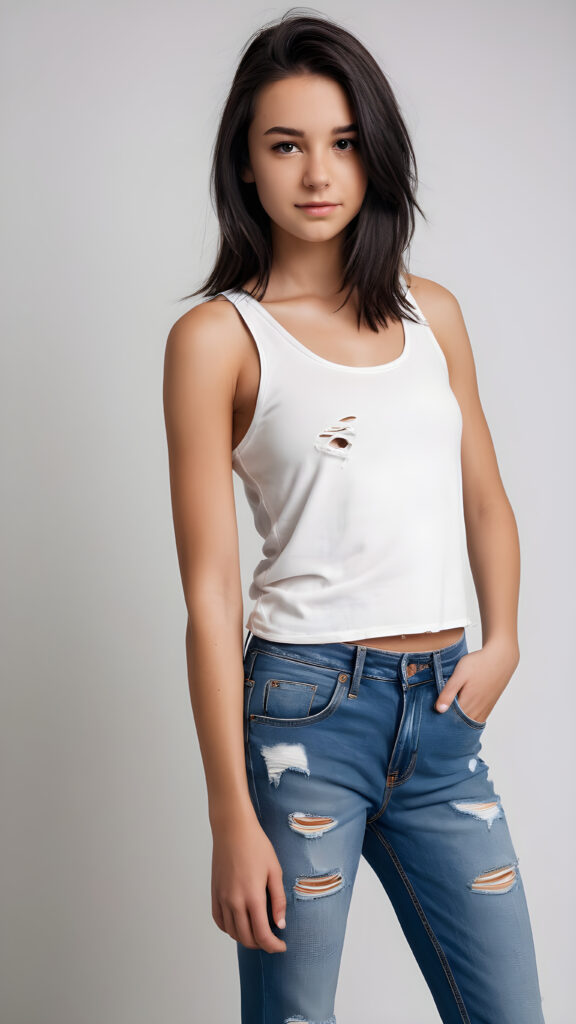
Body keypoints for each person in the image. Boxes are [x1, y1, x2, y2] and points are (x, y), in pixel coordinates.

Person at [163, 10, 546, 1023]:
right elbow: (208, 596)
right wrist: (229, 815)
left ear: (374, 153)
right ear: (246, 163)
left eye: (342, 142)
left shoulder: (434, 313)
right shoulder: (219, 337)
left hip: (444, 713)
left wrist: (504, 642)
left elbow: (485, 499)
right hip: (303, 714)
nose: (318, 173)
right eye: (285, 145)